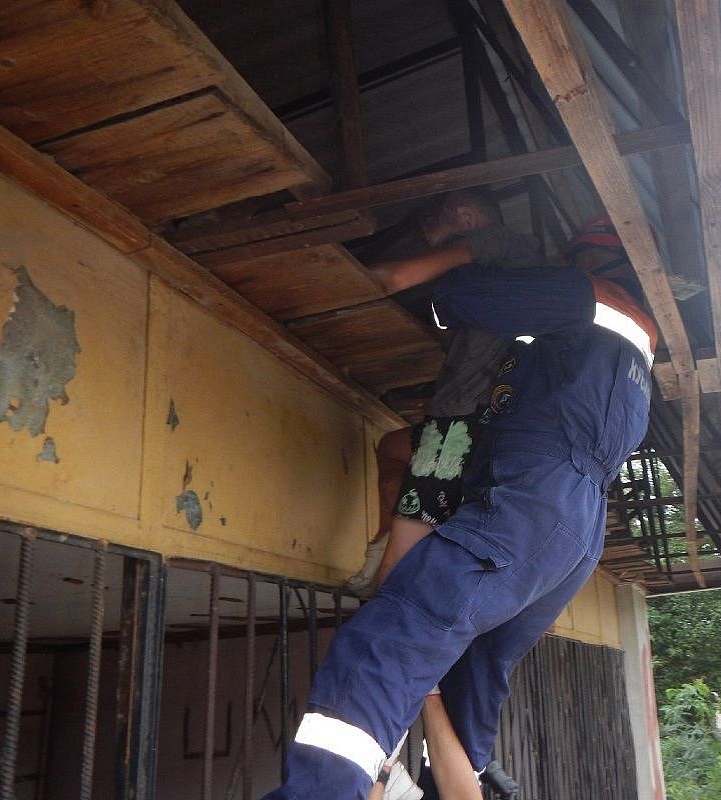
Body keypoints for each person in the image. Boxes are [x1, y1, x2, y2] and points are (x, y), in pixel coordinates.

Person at [261, 213, 659, 800]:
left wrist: (468, 270)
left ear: (585, 260)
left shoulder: (588, 295)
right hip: (576, 530)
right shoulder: (634, 350)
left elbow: (463, 301)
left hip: (534, 503)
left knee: (391, 635)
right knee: (480, 665)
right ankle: (460, 776)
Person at [344, 190, 543, 597]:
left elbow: (396, 277)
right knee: (395, 446)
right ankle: (385, 545)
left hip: (462, 419)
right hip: (487, 418)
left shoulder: (497, 239)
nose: (437, 251)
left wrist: (337, 278)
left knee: (409, 538)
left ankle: (385, 595)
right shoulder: (506, 278)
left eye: (440, 239)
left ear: (465, 216)